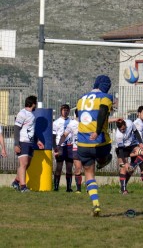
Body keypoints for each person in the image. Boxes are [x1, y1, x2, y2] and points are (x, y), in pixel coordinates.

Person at [77, 75, 113, 216]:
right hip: (100, 142)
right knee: (106, 154)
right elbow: (103, 111)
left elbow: (77, 114)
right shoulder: (105, 97)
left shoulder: (81, 99)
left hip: (83, 144)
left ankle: (96, 204)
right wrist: (97, 131)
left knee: (89, 174)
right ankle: (103, 160)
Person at [11, 95, 44, 192]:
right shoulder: (22, 113)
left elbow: (31, 130)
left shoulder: (32, 115)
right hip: (23, 142)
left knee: (27, 164)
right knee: (23, 164)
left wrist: (37, 140)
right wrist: (16, 144)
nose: (36, 105)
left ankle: (16, 182)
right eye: (36, 103)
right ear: (32, 104)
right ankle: (23, 187)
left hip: (30, 143)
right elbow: (16, 129)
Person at [112, 118, 143, 194]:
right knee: (123, 168)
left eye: (123, 129)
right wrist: (126, 163)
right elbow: (120, 150)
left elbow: (136, 132)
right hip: (122, 149)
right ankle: (123, 189)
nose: (122, 131)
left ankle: (133, 165)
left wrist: (140, 142)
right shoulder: (118, 136)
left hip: (131, 147)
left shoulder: (130, 123)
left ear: (125, 125)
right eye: (120, 130)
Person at [53, 104, 73, 192]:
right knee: (59, 167)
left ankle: (69, 187)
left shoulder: (72, 122)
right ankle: (56, 187)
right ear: (61, 111)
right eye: (64, 110)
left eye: (67, 110)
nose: (65, 112)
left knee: (69, 167)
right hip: (60, 147)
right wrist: (55, 148)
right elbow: (53, 136)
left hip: (69, 146)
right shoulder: (56, 122)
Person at [63, 109, 82, 193]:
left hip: (87, 148)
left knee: (88, 168)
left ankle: (90, 188)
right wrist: (58, 146)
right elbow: (65, 134)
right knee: (78, 168)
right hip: (76, 148)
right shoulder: (72, 123)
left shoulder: (88, 122)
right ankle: (78, 189)